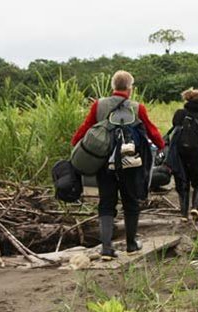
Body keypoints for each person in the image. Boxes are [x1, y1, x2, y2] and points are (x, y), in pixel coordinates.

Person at [71, 71, 165, 260]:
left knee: (106, 203)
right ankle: (131, 244)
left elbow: (85, 127)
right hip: (130, 163)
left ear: (113, 86)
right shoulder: (138, 108)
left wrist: (76, 144)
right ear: (130, 88)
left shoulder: (99, 105)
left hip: (104, 163)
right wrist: (162, 145)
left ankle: (106, 248)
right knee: (130, 202)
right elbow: (151, 131)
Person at [168, 88, 198, 221]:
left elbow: (175, 124)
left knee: (182, 181)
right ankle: (195, 208)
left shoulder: (179, 114)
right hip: (196, 153)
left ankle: (183, 214)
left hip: (179, 152)